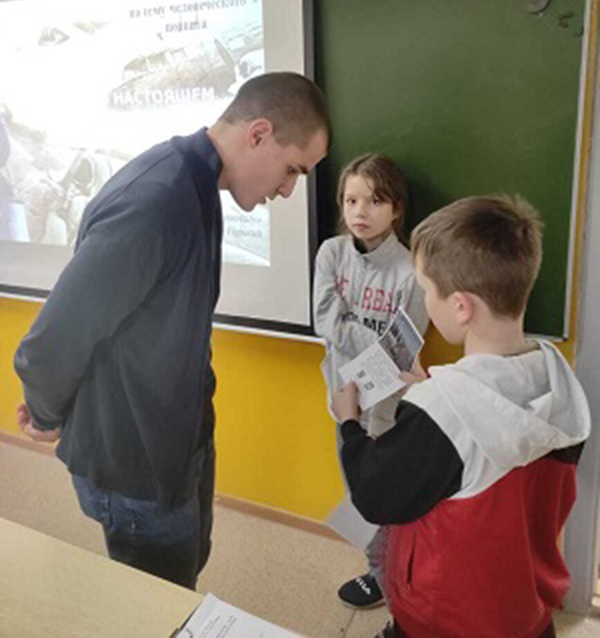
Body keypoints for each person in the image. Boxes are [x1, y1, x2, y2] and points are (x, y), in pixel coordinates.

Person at [14, 71, 329, 590]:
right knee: (158, 607)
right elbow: (56, 337)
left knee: (185, 573)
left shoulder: (200, 184)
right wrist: (45, 413)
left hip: (178, 442)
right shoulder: (157, 201)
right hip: (137, 463)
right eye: (293, 169)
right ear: (258, 134)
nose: (288, 189)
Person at [332, 195, 591, 638]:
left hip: (443, 622)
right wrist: (430, 393)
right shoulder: (557, 381)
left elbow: (374, 495)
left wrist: (349, 424)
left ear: (461, 307)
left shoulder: (439, 414)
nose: (425, 301)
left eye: (427, 290)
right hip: (524, 613)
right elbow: (490, 425)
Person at [313, 153, 428, 609]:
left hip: (387, 411)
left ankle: (390, 581)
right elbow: (325, 321)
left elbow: (402, 352)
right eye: (351, 200)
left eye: (375, 200)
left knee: (387, 498)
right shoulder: (331, 253)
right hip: (343, 402)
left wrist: (354, 332)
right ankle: (379, 573)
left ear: (397, 208)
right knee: (358, 494)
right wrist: (376, 342)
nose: (360, 211)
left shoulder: (412, 271)